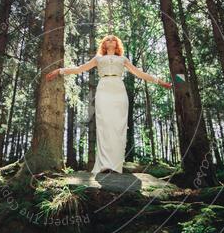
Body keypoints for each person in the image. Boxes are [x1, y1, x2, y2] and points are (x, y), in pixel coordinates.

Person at [46, 34, 172, 174]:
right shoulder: (98, 58)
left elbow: (139, 73)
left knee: (119, 126)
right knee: (104, 124)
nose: (110, 41)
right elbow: (79, 69)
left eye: (113, 39)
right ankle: (104, 164)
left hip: (119, 90)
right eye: (107, 39)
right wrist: (59, 71)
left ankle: (116, 165)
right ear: (104, 45)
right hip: (104, 89)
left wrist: (160, 82)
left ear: (117, 44)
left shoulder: (123, 59)